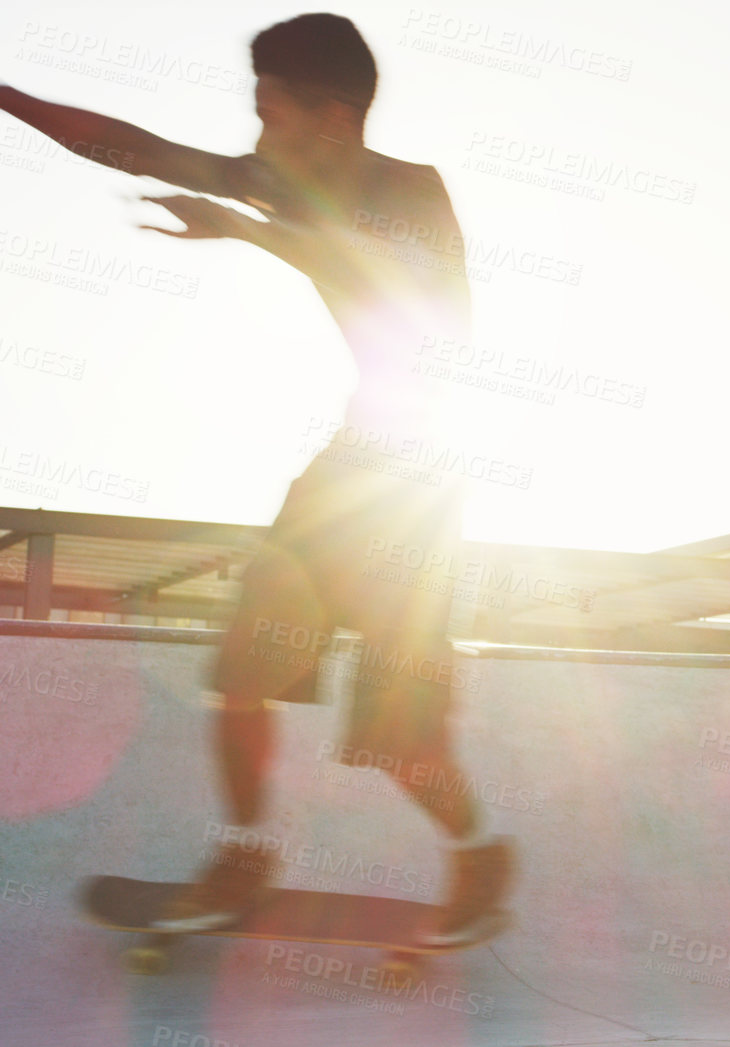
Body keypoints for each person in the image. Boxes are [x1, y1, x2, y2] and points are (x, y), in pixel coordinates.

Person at [1, 13, 513, 941]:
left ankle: (479, 856)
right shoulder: (279, 181)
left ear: (331, 115)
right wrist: (7, 95)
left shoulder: (413, 192)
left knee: (396, 736)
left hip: (422, 481)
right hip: (353, 463)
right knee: (243, 663)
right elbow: (138, 146)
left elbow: (378, 272)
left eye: (269, 112)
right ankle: (243, 855)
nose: (257, 135)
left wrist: (246, 227)